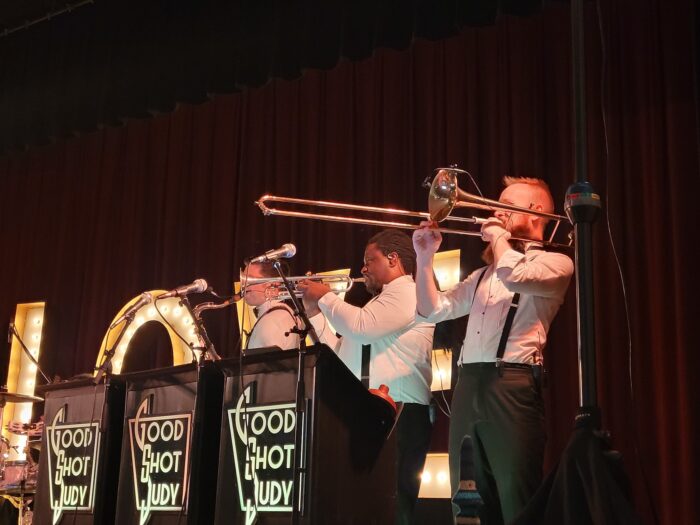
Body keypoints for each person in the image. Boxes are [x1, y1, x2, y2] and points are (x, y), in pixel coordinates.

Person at [413, 176, 574, 525]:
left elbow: (515, 275)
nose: (494, 212)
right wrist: (424, 258)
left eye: (503, 205)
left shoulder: (557, 264)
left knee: (518, 493)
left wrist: (499, 236)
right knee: (466, 498)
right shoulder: (484, 275)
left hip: (511, 387)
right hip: (469, 384)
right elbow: (432, 309)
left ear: (534, 211)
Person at [298, 229, 434, 525]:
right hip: (374, 413)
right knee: (363, 508)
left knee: (391, 510)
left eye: (368, 260)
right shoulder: (380, 303)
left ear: (393, 259)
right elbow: (338, 353)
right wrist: (315, 313)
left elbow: (360, 327)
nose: (362, 269)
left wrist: (326, 297)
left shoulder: (408, 291)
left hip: (399, 414)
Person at [241, 260, 301, 351]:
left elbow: (265, 365)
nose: (243, 285)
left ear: (274, 284)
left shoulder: (274, 318)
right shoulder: (278, 314)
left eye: (250, 279)